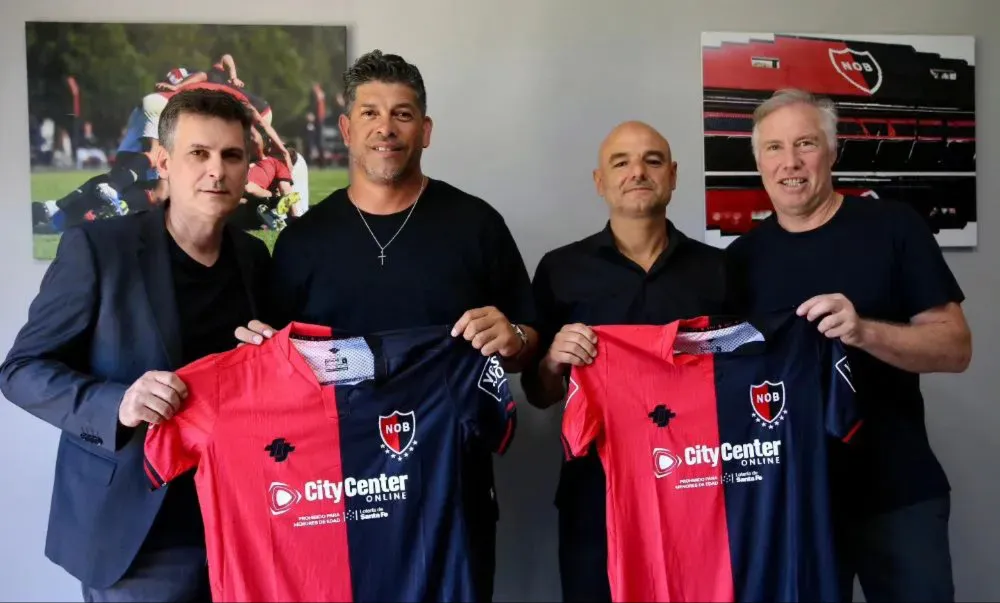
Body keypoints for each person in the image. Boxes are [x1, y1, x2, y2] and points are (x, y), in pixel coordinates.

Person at [234, 49, 539, 602]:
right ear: (347, 129)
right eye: (371, 113)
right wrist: (260, 349)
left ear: (425, 131)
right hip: (335, 490)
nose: (386, 128)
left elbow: (528, 341)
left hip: (452, 491)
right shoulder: (305, 240)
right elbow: (279, 368)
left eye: (402, 115)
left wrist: (515, 337)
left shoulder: (476, 224)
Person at [0, 88, 273, 602]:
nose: (216, 170)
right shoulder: (100, 249)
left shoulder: (254, 258)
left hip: (240, 521)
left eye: (231, 155)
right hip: (139, 533)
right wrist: (117, 404)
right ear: (164, 163)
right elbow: (21, 370)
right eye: (199, 154)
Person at [724, 88, 971, 603]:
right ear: (757, 161)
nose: (790, 162)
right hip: (791, 503)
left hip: (898, 493)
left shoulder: (894, 226)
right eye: (774, 148)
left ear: (833, 152)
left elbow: (955, 348)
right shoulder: (738, 260)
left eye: (806, 144)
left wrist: (864, 331)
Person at [521, 120, 740, 602]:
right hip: (595, 491)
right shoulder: (561, 270)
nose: (637, 172)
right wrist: (554, 362)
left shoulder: (720, 270)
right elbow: (538, 395)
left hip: (699, 486)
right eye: (621, 162)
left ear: (674, 175)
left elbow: (745, 380)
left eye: (652, 161)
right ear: (600, 181)